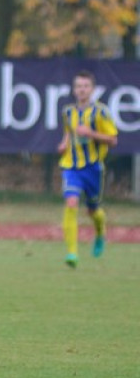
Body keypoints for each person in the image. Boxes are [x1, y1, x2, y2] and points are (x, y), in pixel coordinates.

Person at [57, 70, 118, 268]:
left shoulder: (101, 112)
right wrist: (64, 143)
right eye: (78, 86)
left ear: (92, 90)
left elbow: (113, 140)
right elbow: (68, 131)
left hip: (93, 168)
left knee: (93, 211)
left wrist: (90, 133)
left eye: (85, 86)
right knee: (72, 202)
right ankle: (72, 253)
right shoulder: (68, 112)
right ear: (74, 90)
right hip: (71, 167)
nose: (82, 90)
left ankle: (100, 232)